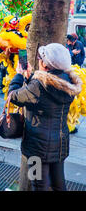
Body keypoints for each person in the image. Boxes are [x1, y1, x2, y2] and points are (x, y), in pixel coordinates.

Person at [8, 43, 82, 191]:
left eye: (40, 58)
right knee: (58, 184)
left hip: (37, 147)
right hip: (59, 143)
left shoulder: (38, 85)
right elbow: (43, 98)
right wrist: (30, 81)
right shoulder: (68, 81)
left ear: (46, 64)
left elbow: (14, 96)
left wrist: (18, 75)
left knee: (38, 185)